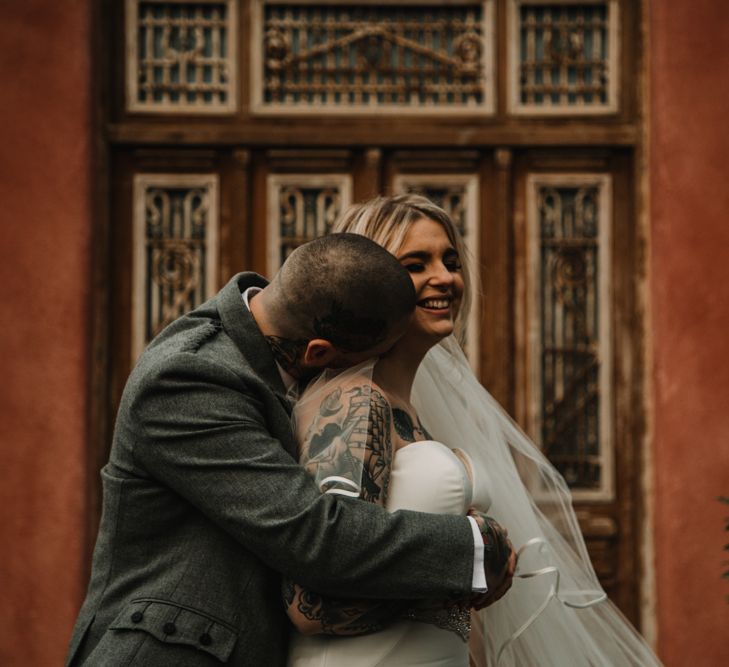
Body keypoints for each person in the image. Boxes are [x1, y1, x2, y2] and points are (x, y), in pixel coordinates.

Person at [66, 233, 513, 667]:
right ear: (319, 353)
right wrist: (475, 546)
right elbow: (312, 534)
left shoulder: (285, 321)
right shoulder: (186, 379)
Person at [284, 195, 662, 666]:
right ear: (369, 281)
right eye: (415, 264)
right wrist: (467, 569)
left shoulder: (410, 406)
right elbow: (313, 607)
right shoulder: (354, 403)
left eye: (450, 260)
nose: (444, 277)